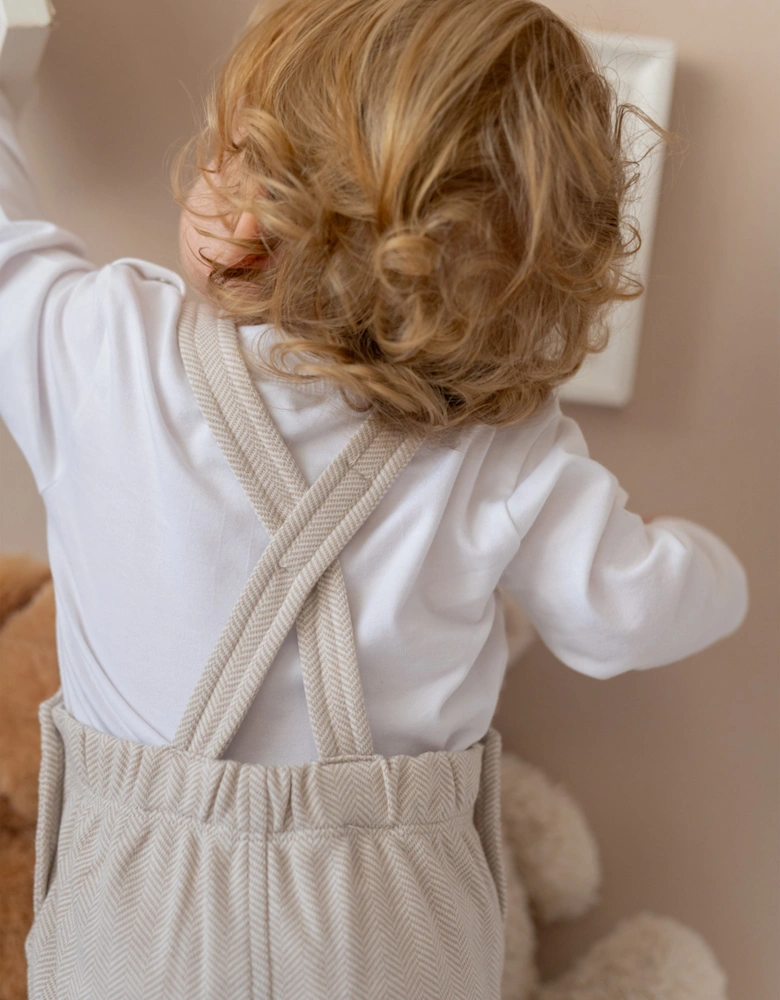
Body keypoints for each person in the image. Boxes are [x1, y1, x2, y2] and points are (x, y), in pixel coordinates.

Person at [0, 1, 748, 997]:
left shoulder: (103, 353)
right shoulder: (504, 455)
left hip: (130, 926)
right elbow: (628, 613)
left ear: (244, 218)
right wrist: (712, 566)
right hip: (391, 940)